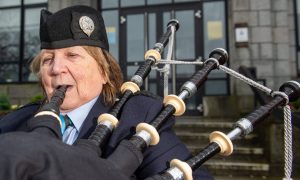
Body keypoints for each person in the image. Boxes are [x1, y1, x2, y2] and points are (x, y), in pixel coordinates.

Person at [0, 5, 213, 180]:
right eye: (48, 59)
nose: (56, 68)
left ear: (104, 72)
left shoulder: (138, 118)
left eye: (72, 55)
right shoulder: (13, 124)